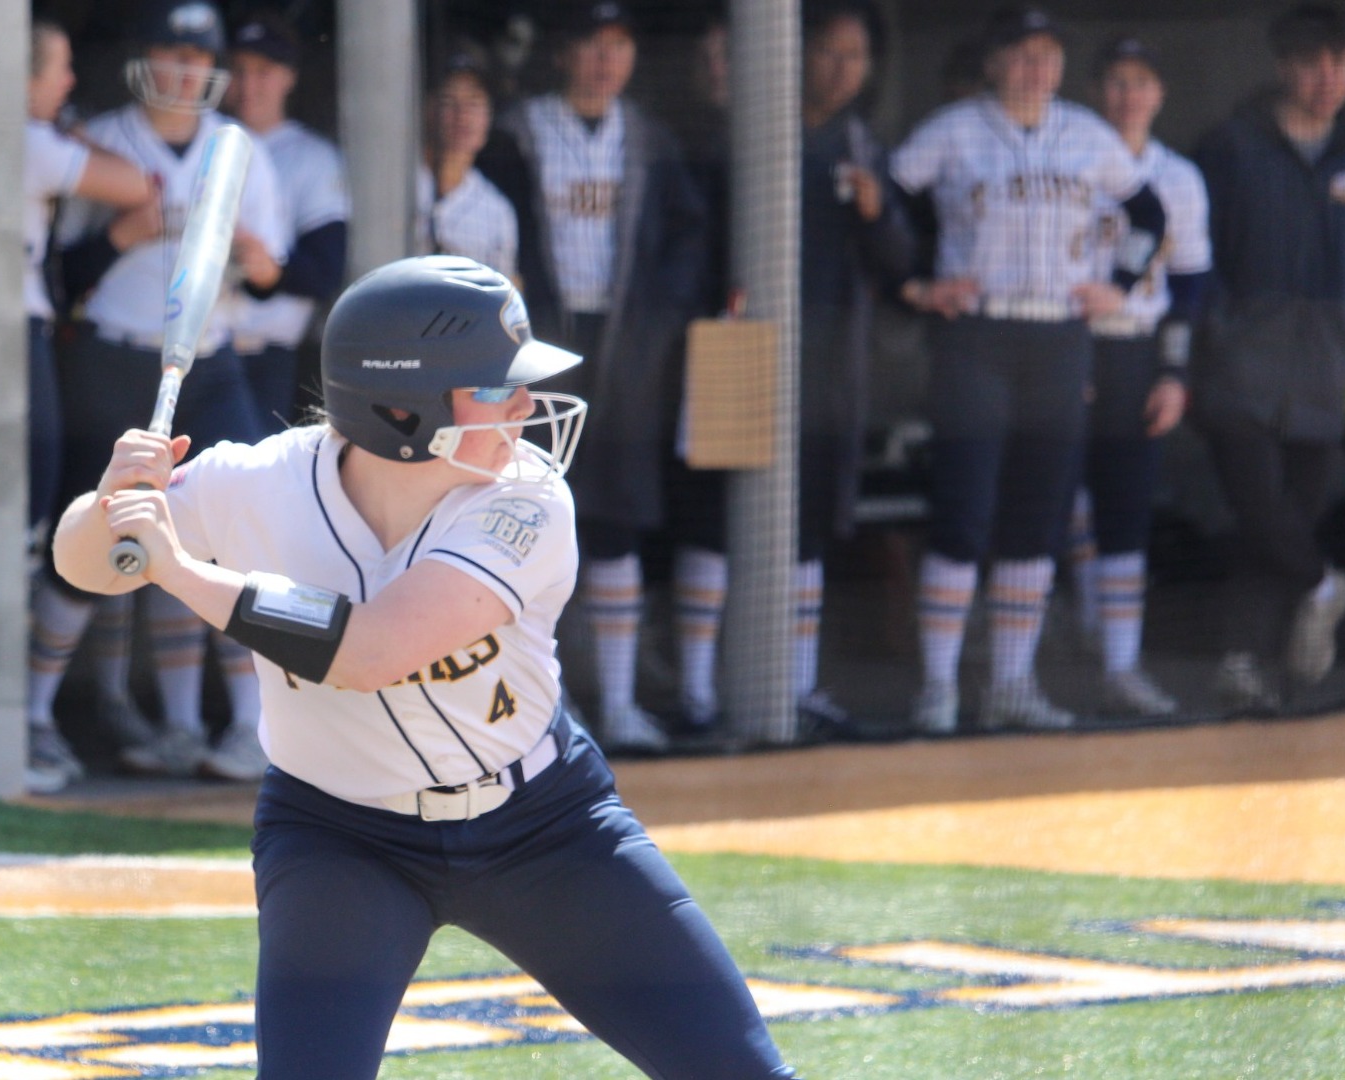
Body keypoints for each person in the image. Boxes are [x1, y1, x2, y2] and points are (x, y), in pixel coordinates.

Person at [51, 254, 796, 1080]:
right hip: (340, 838)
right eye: (495, 386)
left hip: (545, 827)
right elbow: (84, 562)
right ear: (402, 413)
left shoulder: (527, 498)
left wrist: (180, 570)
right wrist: (111, 506)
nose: (524, 403)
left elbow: (372, 650)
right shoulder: (255, 481)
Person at [890, 5, 1166, 733]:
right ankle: (939, 689)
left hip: (1060, 335)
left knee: (1037, 513)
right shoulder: (952, 129)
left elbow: (1147, 211)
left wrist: (1124, 285)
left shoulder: (1086, 133)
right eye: (1019, 54)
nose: (1034, 68)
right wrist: (915, 282)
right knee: (965, 507)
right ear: (992, 63)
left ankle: (1012, 684)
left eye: (1047, 55)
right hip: (977, 334)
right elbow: (886, 202)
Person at [34, 0, 289, 783]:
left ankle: (246, 727)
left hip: (208, 364)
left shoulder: (234, 149)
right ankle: (35, 715)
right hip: (113, 359)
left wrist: (247, 254)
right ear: (145, 61)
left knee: (236, 534)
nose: (183, 71)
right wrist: (123, 236)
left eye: (195, 58)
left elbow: (275, 272)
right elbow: (61, 275)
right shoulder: (106, 143)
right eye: (169, 55)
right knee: (94, 532)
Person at [480, 1, 707, 752]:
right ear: (562, 54)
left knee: (614, 521)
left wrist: (656, 326)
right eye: (590, 44)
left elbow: (685, 242)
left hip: (623, 352)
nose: (605, 60)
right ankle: (532, 711)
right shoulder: (517, 133)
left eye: (618, 45)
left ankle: (618, 703)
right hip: (538, 350)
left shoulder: (646, 139)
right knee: (522, 520)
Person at [1191, 3, 1345, 710]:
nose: (1327, 78)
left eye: (1340, 63)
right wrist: (1221, 329)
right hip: (1238, 370)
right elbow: (1194, 250)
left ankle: (1246, 664)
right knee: (1259, 505)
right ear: (1282, 68)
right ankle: (1325, 586)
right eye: (1311, 64)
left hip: (1320, 371)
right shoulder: (1229, 149)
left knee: (1280, 524)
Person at [22, 16, 163, 793]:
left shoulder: (37, 136)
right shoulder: (32, 137)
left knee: (36, 531)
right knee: (31, 532)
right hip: (22, 343)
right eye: (58, 69)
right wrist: (73, 130)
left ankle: (29, 719)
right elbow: (142, 184)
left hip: (34, 339)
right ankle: (17, 721)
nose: (70, 82)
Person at [1061, 37, 1212, 719]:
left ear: (1161, 93)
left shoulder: (1177, 177)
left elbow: (1187, 288)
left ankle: (1121, 666)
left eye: (1142, 82)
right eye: (1117, 81)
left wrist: (1173, 372)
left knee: (1124, 512)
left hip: (1135, 351)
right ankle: (1024, 673)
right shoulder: (1070, 156)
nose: (1129, 95)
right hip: (1060, 347)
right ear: (1097, 89)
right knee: (1046, 507)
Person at [780, 1, 914, 732]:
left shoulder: (864, 144)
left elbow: (899, 266)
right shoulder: (760, 127)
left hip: (835, 366)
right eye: (829, 51)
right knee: (734, 519)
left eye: (855, 57)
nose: (841, 68)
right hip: (757, 359)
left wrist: (874, 213)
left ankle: (798, 687)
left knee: (814, 521)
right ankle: (722, 690)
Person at [221, 9, 350, 436]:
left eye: (263, 70)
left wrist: (270, 269)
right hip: (197, 350)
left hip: (267, 355)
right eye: (238, 70)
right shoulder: (204, 140)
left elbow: (325, 271)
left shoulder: (312, 157)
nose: (248, 84)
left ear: (289, 76)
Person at [415, 42, 520, 280]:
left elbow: (498, 304)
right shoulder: (394, 184)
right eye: (448, 101)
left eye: (474, 103)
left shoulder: (497, 211)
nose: (462, 115)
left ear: (489, 115)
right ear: (428, 108)